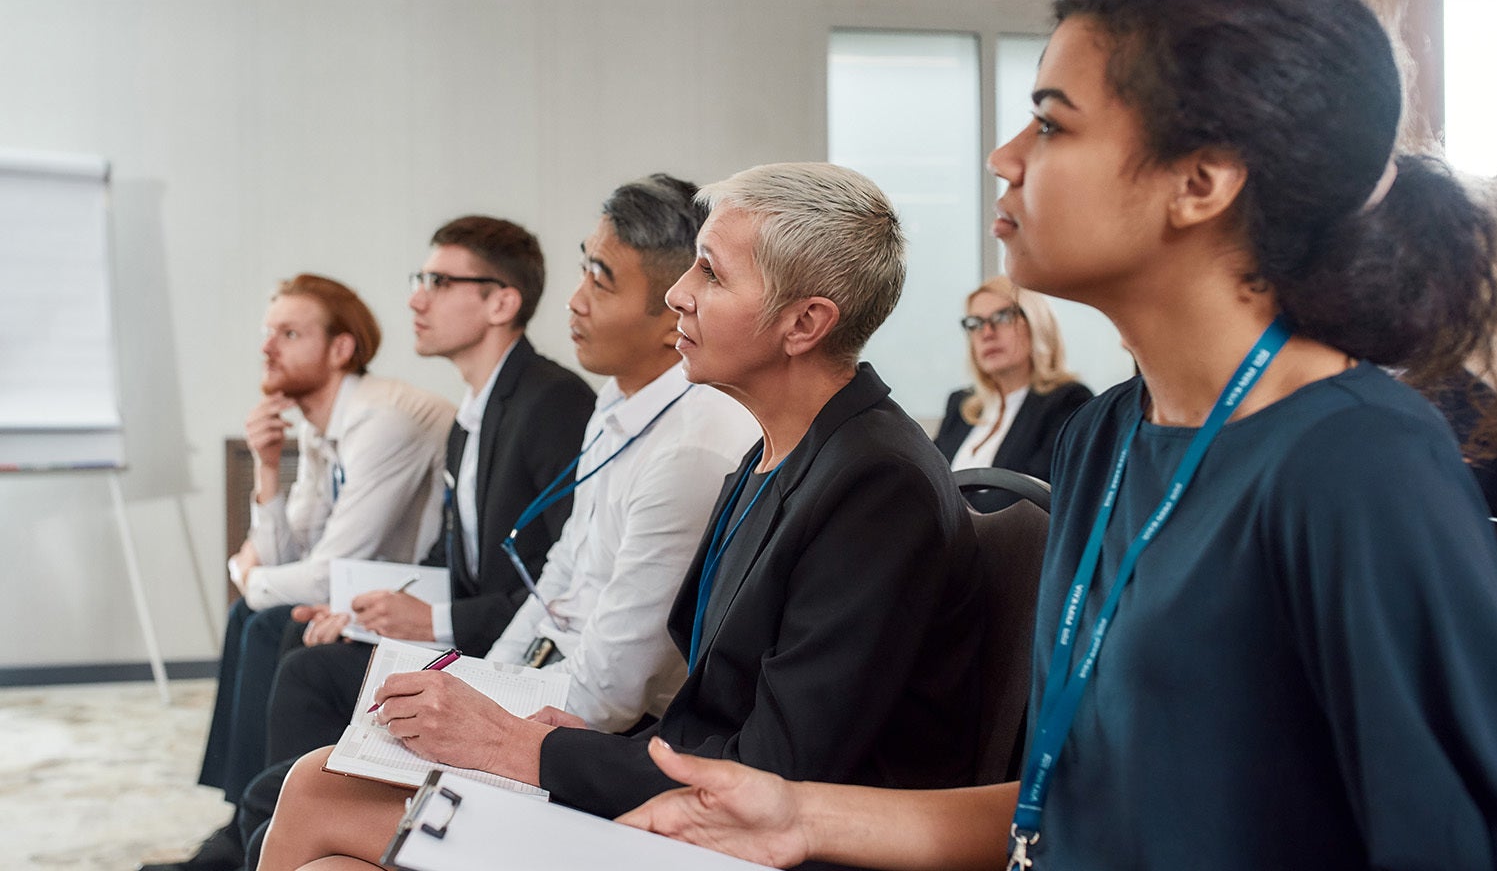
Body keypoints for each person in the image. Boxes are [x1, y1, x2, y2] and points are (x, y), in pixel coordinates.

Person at [617, 0, 1497, 870]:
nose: (1005, 157)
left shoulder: (1356, 463)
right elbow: (1072, 802)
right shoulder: (1106, 435)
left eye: (1052, 123)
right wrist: (802, 817)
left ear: (1200, 181)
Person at [258, 162, 988, 871]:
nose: (678, 295)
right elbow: (714, 712)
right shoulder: (778, 451)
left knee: (320, 790)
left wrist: (523, 748)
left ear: (804, 322)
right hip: (692, 795)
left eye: (710, 273)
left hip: (757, 842)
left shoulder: (875, 483)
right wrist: (567, 739)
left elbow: (776, 775)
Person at [205, 174, 761, 871]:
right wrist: (483, 678)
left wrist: (478, 704)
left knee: (300, 785)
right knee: (296, 756)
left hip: (584, 724)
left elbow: (612, 687)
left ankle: (237, 842)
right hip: (538, 673)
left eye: (600, 278)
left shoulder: (663, 435)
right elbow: (556, 573)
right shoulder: (611, 406)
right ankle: (237, 839)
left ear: (669, 307)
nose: (575, 299)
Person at [139, 219, 596, 871]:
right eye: (420, 281)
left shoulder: (548, 402)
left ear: (501, 301)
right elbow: (449, 558)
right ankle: (253, 828)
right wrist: (364, 606)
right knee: (292, 634)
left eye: (438, 282)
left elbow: (558, 585)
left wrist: (423, 617)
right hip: (456, 618)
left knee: (298, 653)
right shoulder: (475, 413)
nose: (415, 298)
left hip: (510, 650)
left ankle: (264, 833)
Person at [194, 274, 454, 813]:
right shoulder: (320, 425)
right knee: (250, 616)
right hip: (372, 586)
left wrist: (247, 573)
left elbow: (325, 572)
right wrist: (266, 470)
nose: (266, 346)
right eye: (268, 332)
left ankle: (258, 818)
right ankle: (237, 818)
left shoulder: (382, 420)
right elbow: (297, 557)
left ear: (341, 349)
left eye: (288, 333)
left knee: (268, 618)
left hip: (428, 599)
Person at [933, 275, 1091, 507]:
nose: (987, 333)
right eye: (975, 323)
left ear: (1037, 324)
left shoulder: (1068, 402)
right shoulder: (961, 404)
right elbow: (926, 484)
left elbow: (1029, 500)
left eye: (1002, 317)